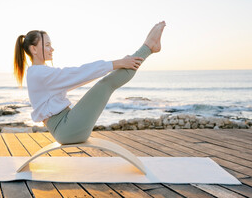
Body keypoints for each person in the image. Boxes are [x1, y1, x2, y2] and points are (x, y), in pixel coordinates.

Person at [14, 21, 166, 144]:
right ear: (34, 50)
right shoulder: (39, 73)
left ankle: (146, 49)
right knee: (105, 84)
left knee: (105, 83)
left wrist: (118, 64)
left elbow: (78, 77)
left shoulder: (40, 72)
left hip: (67, 125)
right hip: (66, 129)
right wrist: (117, 63)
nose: (52, 49)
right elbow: (77, 73)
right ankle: (148, 47)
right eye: (47, 45)